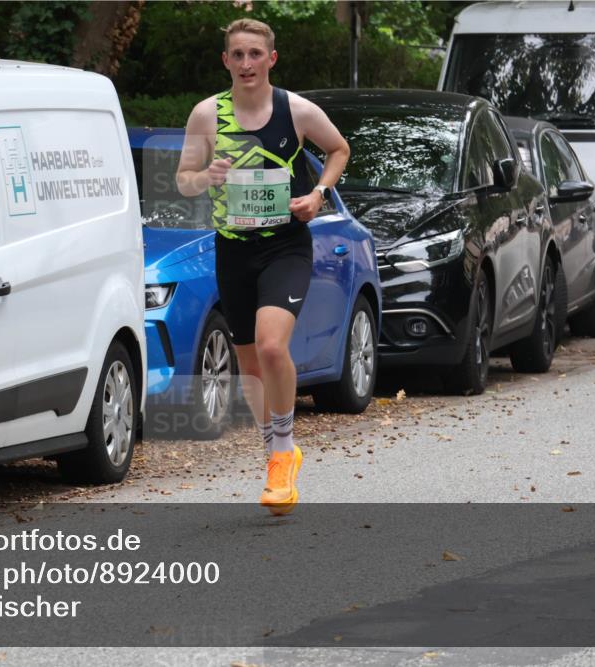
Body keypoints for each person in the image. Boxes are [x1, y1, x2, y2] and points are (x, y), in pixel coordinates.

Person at [176, 18, 349, 515]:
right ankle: (278, 445)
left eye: (256, 54)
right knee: (249, 364)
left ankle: (280, 453)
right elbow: (185, 180)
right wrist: (204, 175)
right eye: (237, 55)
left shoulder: (295, 110)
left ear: (271, 59)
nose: (247, 63)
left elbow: (338, 150)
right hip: (234, 248)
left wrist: (318, 194)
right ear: (225, 61)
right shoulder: (207, 115)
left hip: (285, 246)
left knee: (273, 346)